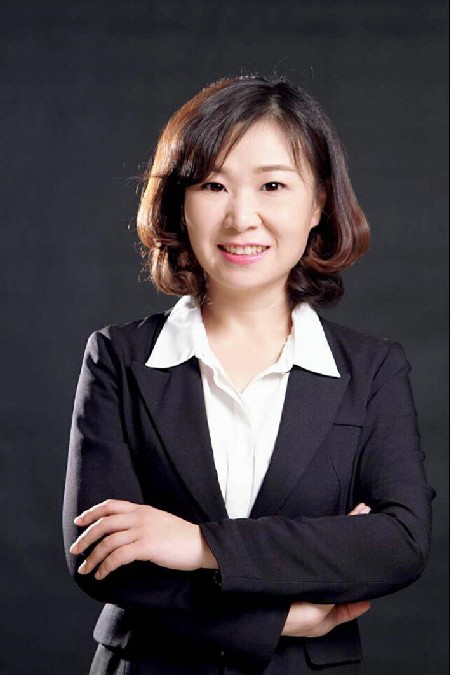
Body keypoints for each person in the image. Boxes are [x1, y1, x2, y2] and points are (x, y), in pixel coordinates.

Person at [62, 74, 436, 675]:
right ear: (180, 204)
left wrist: (197, 545)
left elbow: (399, 544)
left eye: (273, 186)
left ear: (318, 204)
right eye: (213, 185)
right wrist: (276, 617)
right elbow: (102, 558)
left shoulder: (372, 369)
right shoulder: (119, 358)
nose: (242, 218)